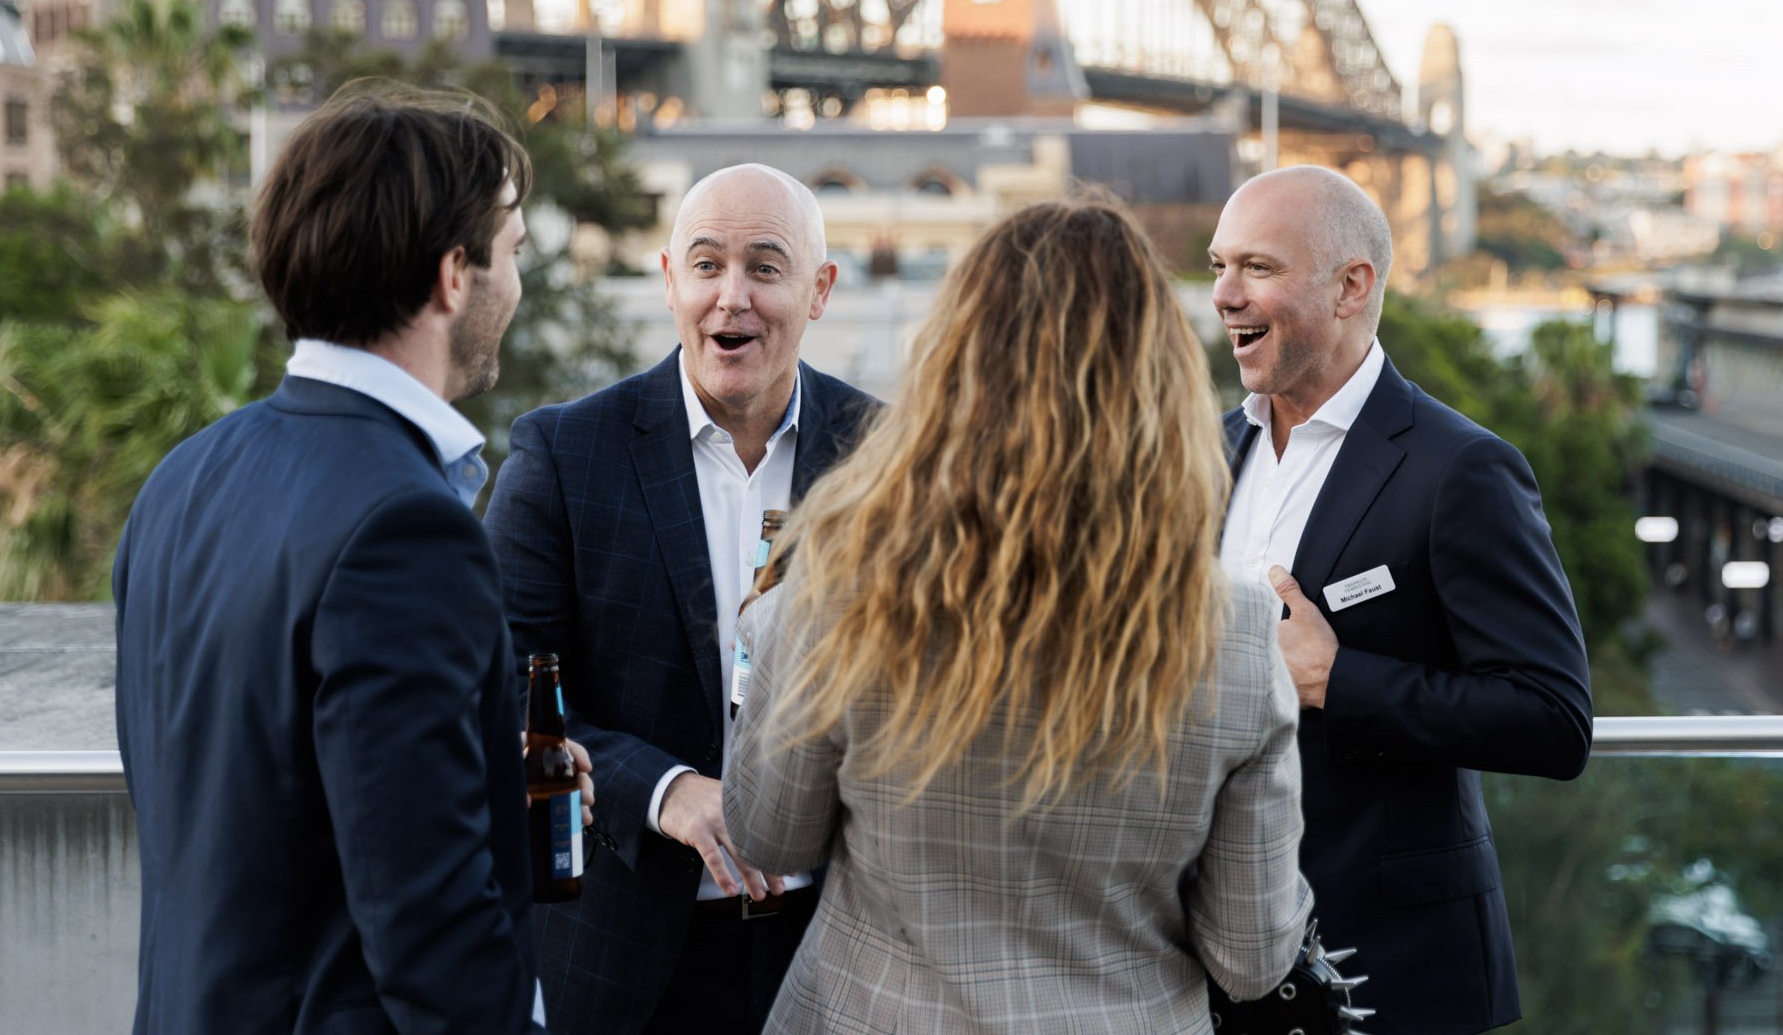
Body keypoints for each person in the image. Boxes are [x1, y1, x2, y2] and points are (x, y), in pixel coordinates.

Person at [723, 196, 1313, 1034]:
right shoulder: (1237, 638)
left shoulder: (841, 589)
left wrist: (765, 627)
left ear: (955, 368)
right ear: (1160, 386)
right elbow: (1252, 960)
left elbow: (772, 837)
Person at [114, 87, 589, 1034]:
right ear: (456, 273)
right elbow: (432, 932)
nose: (519, 284)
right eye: (516, 252)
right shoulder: (404, 530)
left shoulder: (182, 478)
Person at [484, 164, 877, 1033]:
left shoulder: (887, 455)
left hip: (837, 950)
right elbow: (502, 685)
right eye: (706, 266)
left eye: (765, 269)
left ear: (819, 291)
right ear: (669, 281)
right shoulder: (564, 454)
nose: (731, 298)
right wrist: (665, 790)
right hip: (624, 958)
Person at [1206, 165, 1594, 1035]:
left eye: (1258, 268)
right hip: (1208, 964)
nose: (1226, 295)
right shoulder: (1203, 450)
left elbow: (1552, 719)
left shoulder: (1461, 469)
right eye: (1218, 266)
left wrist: (1337, 680)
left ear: (1352, 287)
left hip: (1392, 970)